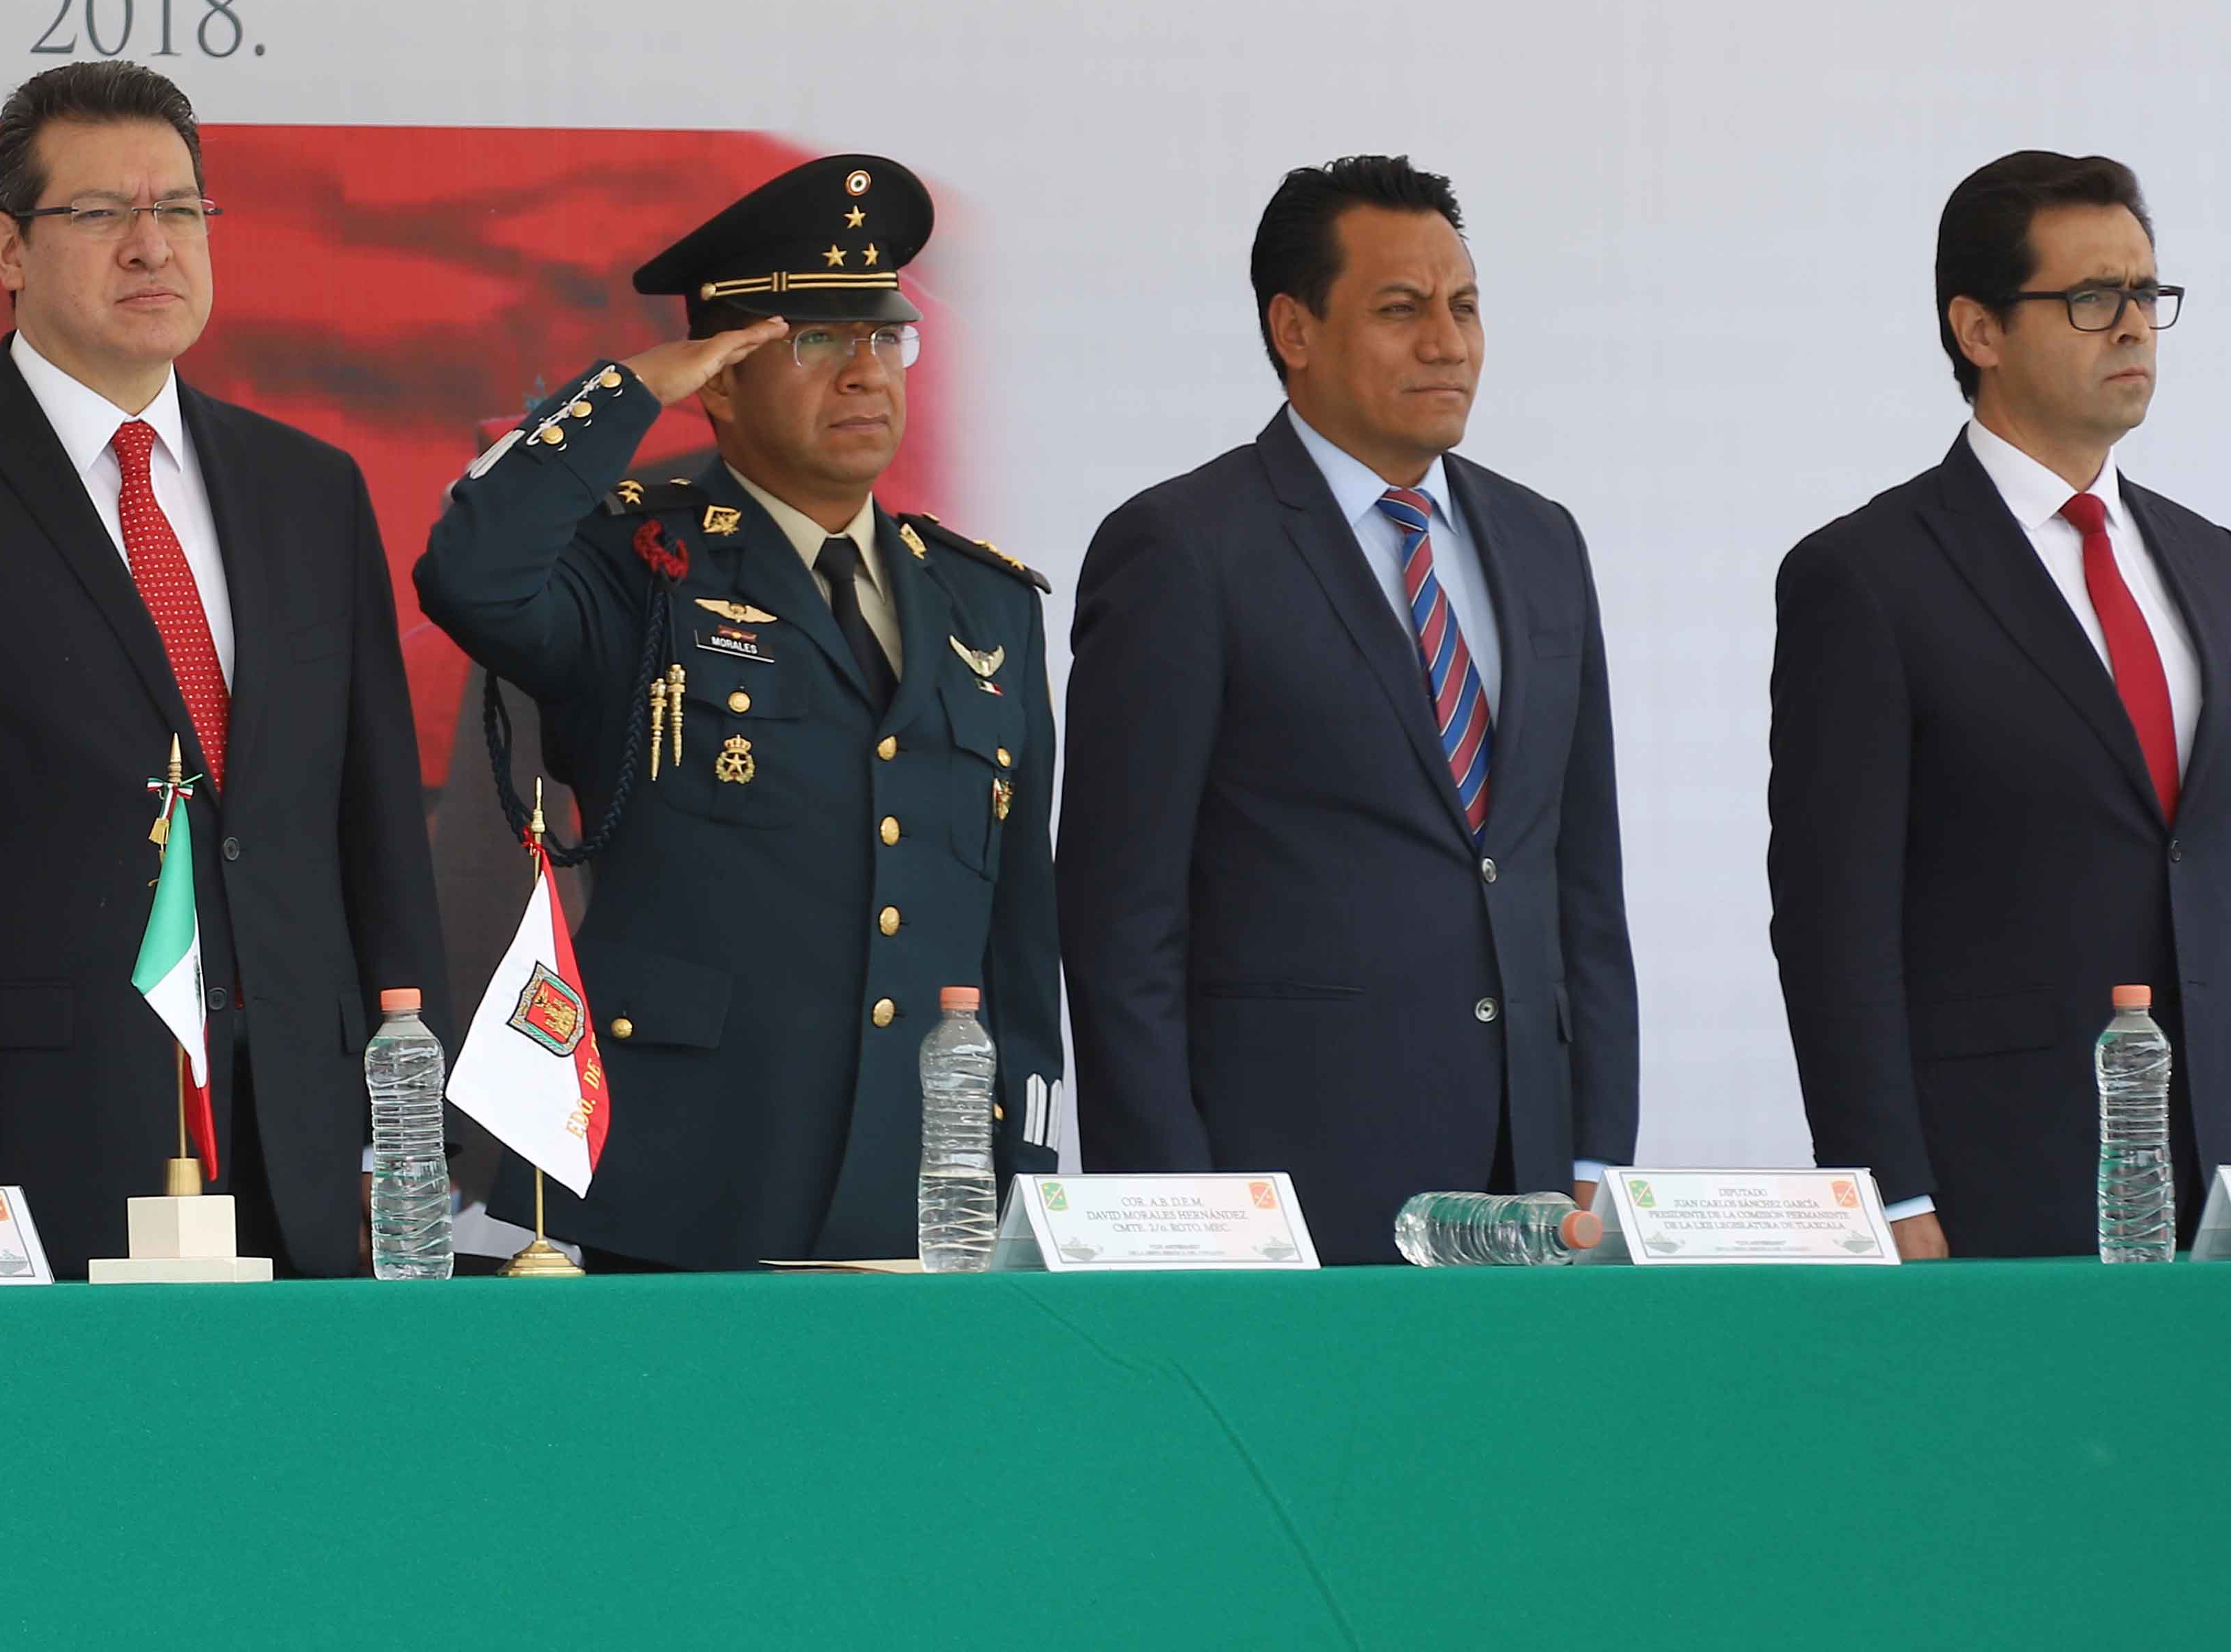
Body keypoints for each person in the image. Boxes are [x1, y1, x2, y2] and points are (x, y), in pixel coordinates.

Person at [0, 61, 445, 1274]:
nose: (150, 247)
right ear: (9, 249)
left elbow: (374, 826)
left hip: (312, 1152)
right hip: (23, 1153)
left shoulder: (309, 491)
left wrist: (404, 1129)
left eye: (179, 210)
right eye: (99, 214)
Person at [414, 154, 1059, 1265]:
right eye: (817, 342)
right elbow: (470, 573)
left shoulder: (986, 604)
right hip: (677, 1190)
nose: (867, 374)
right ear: (720, 377)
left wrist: (1024, 1168)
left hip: (921, 1194)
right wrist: (628, 391)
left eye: (885, 338)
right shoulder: (634, 568)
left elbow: (1017, 928)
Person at [1061, 154, 1635, 1263]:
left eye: (1465, 307)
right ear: (1295, 328)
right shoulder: (1183, 548)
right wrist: (1177, 1213)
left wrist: (1598, 1158)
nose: (1448, 343)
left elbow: (1582, 885)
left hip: (1534, 1192)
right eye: (1401, 310)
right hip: (1283, 1192)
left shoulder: (1544, 541)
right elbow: (1120, 921)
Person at [1771, 150, 2230, 1258]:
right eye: (2089, 298)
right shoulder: (1867, 578)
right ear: (1977, 330)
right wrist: (1890, 1191)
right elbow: (1836, 928)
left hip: (2213, 1170)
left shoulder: (2212, 566)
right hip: (2000, 1179)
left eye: (2145, 294)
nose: (2132, 326)